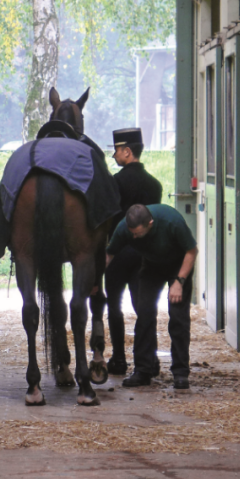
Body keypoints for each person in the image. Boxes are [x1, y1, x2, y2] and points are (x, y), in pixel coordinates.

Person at [106, 203, 198, 389]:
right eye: (132, 233)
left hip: (178, 265)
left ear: (150, 223)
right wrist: (92, 281)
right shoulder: (124, 228)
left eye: (138, 233)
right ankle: (143, 370)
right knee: (145, 314)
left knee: (178, 318)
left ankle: (180, 372)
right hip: (151, 266)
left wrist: (179, 282)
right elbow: (109, 255)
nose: (134, 237)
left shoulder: (172, 222)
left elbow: (191, 251)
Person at [103, 128, 162, 376]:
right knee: (144, 307)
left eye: (116, 150)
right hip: (143, 255)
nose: (114, 154)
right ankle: (147, 360)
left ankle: (118, 359)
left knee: (114, 306)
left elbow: (108, 220)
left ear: (127, 152)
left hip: (117, 254)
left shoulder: (114, 183)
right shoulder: (154, 185)